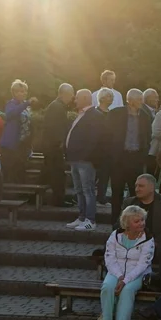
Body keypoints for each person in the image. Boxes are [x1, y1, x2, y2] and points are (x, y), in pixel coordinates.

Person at [98, 205, 155, 320]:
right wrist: (119, 276)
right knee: (107, 286)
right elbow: (109, 258)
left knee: (127, 291)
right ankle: (107, 316)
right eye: (137, 221)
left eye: (142, 220)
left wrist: (125, 280)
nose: (141, 223)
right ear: (127, 224)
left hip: (137, 274)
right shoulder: (115, 236)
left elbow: (143, 265)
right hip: (116, 272)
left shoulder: (148, 239)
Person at [108, 89, 154, 219]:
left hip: (136, 159)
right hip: (119, 159)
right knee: (117, 192)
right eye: (140, 100)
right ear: (131, 101)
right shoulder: (116, 114)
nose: (142, 102)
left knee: (136, 193)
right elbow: (107, 136)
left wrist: (143, 154)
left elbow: (148, 136)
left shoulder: (145, 116)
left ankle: (134, 222)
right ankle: (116, 224)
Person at [64, 89, 105, 231]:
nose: (74, 101)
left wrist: (85, 155)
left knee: (88, 190)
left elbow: (94, 139)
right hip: (75, 159)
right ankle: (81, 217)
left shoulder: (95, 115)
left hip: (85, 160)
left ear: (85, 98)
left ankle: (90, 220)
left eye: (77, 98)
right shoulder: (81, 115)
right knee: (79, 190)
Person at [126, 174, 161, 278]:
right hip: (134, 241)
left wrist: (155, 242)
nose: (137, 189)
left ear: (152, 188)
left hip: (158, 242)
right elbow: (120, 224)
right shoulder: (129, 202)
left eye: (141, 186)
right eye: (136, 186)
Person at [41, 84, 75, 208]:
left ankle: (39, 198)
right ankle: (58, 200)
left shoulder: (56, 106)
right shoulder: (57, 107)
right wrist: (60, 141)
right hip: (54, 147)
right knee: (58, 174)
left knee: (52, 173)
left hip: (51, 146)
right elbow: (55, 127)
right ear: (64, 94)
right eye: (71, 95)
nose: (72, 98)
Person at [0, 79, 32, 183]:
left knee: (20, 170)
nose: (22, 93)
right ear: (13, 93)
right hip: (11, 144)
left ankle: (21, 194)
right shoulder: (11, 104)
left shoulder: (25, 107)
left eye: (23, 91)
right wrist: (25, 104)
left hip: (22, 144)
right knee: (9, 170)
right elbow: (9, 115)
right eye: (19, 91)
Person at [93, 89, 116, 205]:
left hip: (109, 149)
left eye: (111, 96)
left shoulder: (111, 114)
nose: (111, 98)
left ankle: (101, 198)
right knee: (95, 175)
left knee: (105, 175)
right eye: (108, 96)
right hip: (97, 149)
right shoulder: (96, 113)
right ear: (101, 98)